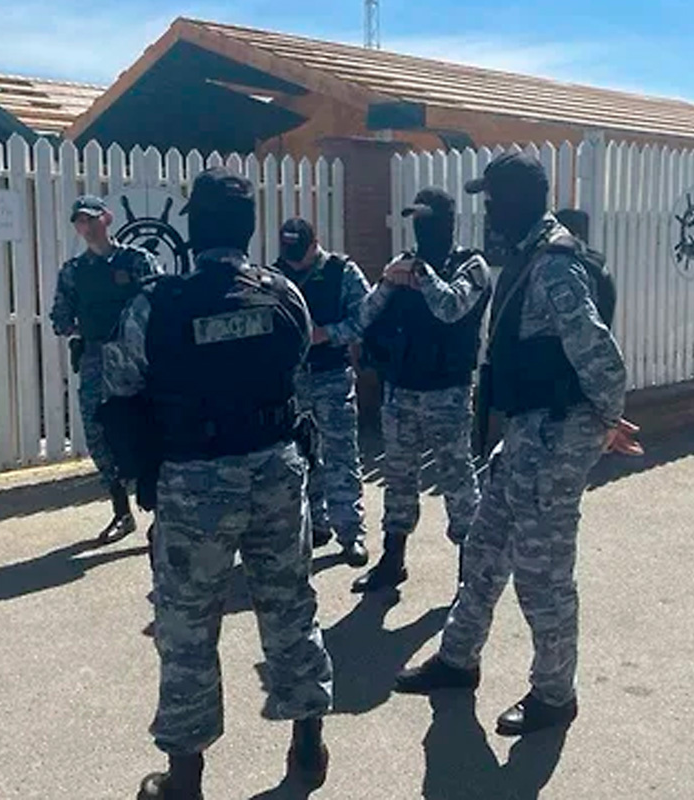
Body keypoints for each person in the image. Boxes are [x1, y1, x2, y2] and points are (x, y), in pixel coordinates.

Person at [104, 167, 334, 800]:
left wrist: (145, 466)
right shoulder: (284, 294)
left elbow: (119, 387)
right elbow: (297, 365)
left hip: (194, 480)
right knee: (290, 607)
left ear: (194, 230)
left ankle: (185, 779)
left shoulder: (156, 304)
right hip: (276, 470)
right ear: (249, 229)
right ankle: (308, 746)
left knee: (187, 625)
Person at [394, 152, 640, 737]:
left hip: (555, 436)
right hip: (528, 433)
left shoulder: (554, 265)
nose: (489, 214)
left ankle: (555, 695)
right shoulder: (531, 257)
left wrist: (604, 423)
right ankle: (458, 660)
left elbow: (601, 357)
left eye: (493, 202)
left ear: (516, 201)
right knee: (484, 549)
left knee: (542, 572)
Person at [354, 187, 492, 593]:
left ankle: (471, 570)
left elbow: (451, 308)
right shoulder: (404, 265)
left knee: (457, 480)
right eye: (415, 221)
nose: (419, 229)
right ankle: (392, 560)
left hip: (447, 392)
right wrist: (386, 281)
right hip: (400, 389)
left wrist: (422, 275)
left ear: (447, 222)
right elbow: (364, 316)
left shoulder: (471, 266)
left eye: (426, 221)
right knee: (398, 478)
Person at [51, 195, 161, 540]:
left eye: (91, 219)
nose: (86, 227)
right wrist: (82, 328)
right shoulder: (73, 271)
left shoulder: (138, 260)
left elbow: (160, 303)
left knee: (149, 430)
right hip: (95, 361)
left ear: (107, 219)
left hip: (136, 360)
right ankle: (121, 511)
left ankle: (162, 513)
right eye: (80, 222)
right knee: (98, 434)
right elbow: (60, 317)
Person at [273, 217, 371, 568]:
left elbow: (366, 318)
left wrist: (327, 333)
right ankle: (315, 522)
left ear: (316, 244)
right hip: (292, 380)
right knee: (300, 455)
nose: (295, 262)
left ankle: (351, 532)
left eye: (300, 254)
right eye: (289, 254)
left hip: (332, 375)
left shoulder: (342, 272)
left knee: (341, 454)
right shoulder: (275, 276)